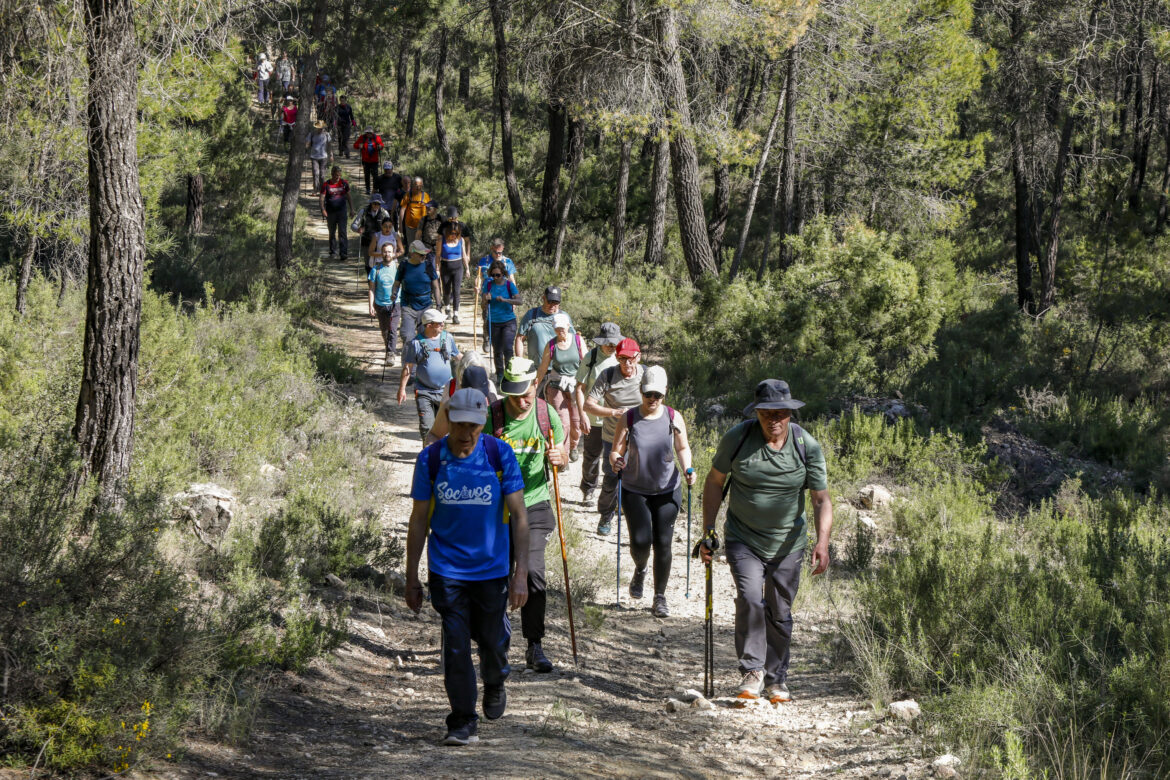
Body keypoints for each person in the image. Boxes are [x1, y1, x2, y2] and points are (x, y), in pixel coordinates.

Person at [405, 387, 529, 746]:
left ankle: (495, 679)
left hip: (492, 570)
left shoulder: (498, 454)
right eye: (458, 425)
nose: (465, 434)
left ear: (482, 425)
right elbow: (418, 521)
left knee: (492, 641)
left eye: (473, 427)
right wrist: (412, 576)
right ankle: (462, 720)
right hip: (447, 570)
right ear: (448, 421)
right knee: (456, 645)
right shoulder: (430, 460)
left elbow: (520, 516)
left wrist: (520, 573)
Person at [699, 379, 833, 703]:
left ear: (790, 413)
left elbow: (820, 499)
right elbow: (714, 482)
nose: (774, 420)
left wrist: (823, 542)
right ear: (756, 414)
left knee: (780, 610)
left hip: (789, 543)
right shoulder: (739, 438)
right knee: (749, 598)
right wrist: (709, 530)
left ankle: (776, 678)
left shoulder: (806, 446)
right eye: (766, 414)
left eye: (780, 413)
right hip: (743, 537)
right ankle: (752, 671)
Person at [608, 366, 696, 617]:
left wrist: (688, 467)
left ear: (665, 393)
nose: (653, 399)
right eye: (649, 394)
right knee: (640, 541)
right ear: (641, 391)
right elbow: (616, 450)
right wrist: (616, 460)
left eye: (658, 394)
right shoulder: (630, 418)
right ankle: (641, 568)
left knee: (664, 543)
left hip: (668, 488)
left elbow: (683, 446)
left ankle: (660, 597)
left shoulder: (673, 417)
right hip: (635, 488)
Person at [582, 337, 644, 536]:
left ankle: (637, 520)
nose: (627, 363)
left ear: (639, 357)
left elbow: (658, 400)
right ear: (617, 358)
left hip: (641, 437)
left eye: (631, 358)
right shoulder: (608, 375)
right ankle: (606, 515)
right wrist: (613, 413)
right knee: (611, 477)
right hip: (612, 437)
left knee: (639, 478)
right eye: (622, 358)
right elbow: (588, 404)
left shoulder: (645, 375)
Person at [575, 322, 622, 502]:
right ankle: (588, 489)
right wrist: (582, 415)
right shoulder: (591, 357)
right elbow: (579, 388)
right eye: (608, 343)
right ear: (600, 342)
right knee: (591, 457)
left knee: (614, 459)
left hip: (615, 420)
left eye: (614, 343)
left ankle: (614, 495)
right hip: (594, 418)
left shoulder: (621, 357)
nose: (611, 346)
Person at [398, 308, 461, 441]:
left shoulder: (448, 338)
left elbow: (458, 356)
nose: (443, 324)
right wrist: (402, 389)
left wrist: (472, 364)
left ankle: (443, 458)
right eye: (439, 322)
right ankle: (429, 458)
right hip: (423, 391)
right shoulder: (415, 343)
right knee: (427, 428)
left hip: (446, 392)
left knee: (448, 428)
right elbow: (408, 367)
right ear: (429, 325)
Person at [535, 312, 585, 461]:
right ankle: (564, 454)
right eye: (557, 329)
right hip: (556, 384)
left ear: (569, 326)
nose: (560, 331)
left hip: (575, 385)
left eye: (562, 328)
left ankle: (574, 445)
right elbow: (543, 367)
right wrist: (535, 385)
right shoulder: (551, 345)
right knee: (563, 422)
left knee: (575, 422)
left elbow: (586, 362)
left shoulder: (578, 341)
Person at [390, 240, 442, 359]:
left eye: (425, 254)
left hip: (426, 306)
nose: (424, 257)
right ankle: (409, 368)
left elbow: (436, 286)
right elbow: (397, 283)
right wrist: (393, 293)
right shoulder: (404, 266)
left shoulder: (428, 265)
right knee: (408, 336)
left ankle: (424, 366)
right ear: (412, 253)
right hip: (408, 306)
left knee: (425, 337)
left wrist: (438, 305)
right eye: (421, 254)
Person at [480, 259, 521, 380]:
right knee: (497, 351)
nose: (495, 277)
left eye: (497, 275)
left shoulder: (509, 285)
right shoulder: (488, 285)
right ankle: (499, 375)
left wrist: (505, 300)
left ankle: (509, 375)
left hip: (508, 321)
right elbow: (483, 306)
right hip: (493, 321)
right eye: (493, 275)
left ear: (503, 273)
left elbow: (520, 301)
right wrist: (485, 300)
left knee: (508, 349)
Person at [515, 286, 572, 370]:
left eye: (555, 302)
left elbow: (573, 340)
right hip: (535, 368)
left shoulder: (564, 317)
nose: (552, 305)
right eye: (549, 301)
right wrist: (520, 361)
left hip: (559, 370)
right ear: (543, 298)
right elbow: (520, 339)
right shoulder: (531, 315)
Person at [476, 238, 516, 351]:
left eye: (500, 252)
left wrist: (514, 296)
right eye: (496, 252)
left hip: (504, 295)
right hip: (487, 294)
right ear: (491, 249)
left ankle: (502, 340)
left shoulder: (508, 262)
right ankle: (487, 338)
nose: (498, 254)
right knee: (487, 316)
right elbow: (479, 276)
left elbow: (512, 279)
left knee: (504, 319)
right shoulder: (484, 261)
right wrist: (477, 286)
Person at [368, 243, 402, 363]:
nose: (387, 254)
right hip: (380, 304)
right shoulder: (375, 269)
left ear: (393, 253)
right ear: (381, 253)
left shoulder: (398, 268)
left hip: (395, 303)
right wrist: (371, 305)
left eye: (389, 251)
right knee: (385, 330)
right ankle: (389, 348)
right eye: (385, 251)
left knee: (392, 328)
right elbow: (371, 289)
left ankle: (390, 354)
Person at [436, 219, 469, 323]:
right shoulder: (441, 240)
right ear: (448, 232)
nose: (453, 235)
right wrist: (437, 268)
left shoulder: (461, 241)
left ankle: (456, 314)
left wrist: (467, 268)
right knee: (446, 290)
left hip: (458, 267)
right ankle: (447, 308)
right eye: (452, 233)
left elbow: (464, 255)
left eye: (456, 233)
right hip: (445, 267)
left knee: (456, 291)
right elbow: (437, 255)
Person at [319, 166, 354, 259]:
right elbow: (322, 198)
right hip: (330, 213)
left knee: (342, 232)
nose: (337, 177)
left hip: (342, 212)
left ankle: (343, 253)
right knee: (332, 232)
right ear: (332, 174)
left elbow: (349, 197)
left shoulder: (344, 183)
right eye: (335, 175)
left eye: (339, 175)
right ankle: (333, 252)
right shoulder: (326, 184)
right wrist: (323, 209)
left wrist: (352, 209)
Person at [359, 196, 393, 270]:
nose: (376, 205)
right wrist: (359, 229)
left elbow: (390, 226)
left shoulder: (384, 213)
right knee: (368, 263)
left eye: (378, 204)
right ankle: (369, 280)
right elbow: (353, 226)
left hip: (381, 241)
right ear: (371, 203)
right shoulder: (364, 212)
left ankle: (379, 279)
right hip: (366, 241)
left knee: (381, 261)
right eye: (374, 203)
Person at [399, 176, 431, 247]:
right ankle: (412, 258)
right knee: (412, 246)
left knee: (422, 247)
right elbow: (402, 210)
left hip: (422, 227)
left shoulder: (426, 196)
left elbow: (430, 210)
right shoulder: (408, 195)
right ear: (412, 185)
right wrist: (400, 226)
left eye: (420, 186)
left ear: (422, 185)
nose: (418, 188)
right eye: (416, 186)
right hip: (410, 227)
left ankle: (422, 258)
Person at [353, 127, 383, 194]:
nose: (368, 134)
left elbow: (381, 145)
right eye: (367, 133)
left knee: (375, 176)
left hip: (374, 160)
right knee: (367, 175)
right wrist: (359, 146)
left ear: (372, 133)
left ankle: (375, 189)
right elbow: (355, 145)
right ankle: (368, 189)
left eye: (370, 133)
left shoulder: (377, 138)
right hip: (365, 160)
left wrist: (380, 147)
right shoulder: (362, 137)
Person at [307, 120, 332, 191]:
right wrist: (307, 145)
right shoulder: (312, 134)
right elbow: (308, 143)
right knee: (316, 173)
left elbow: (330, 145)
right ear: (316, 127)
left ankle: (322, 189)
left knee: (322, 175)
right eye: (319, 128)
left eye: (322, 128)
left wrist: (331, 155)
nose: (321, 129)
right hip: (314, 157)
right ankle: (315, 189)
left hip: (323, 157)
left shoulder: (327, 134)